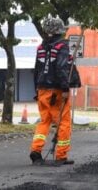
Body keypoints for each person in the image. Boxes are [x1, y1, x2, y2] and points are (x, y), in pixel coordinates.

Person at [30, 16, 74, 165]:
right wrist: (65, 88)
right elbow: (61, 68)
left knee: (44, 121)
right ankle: (61, 155)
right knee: (63, 122)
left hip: (42, 89)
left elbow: (36, 71)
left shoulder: (41, 48)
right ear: (59, 30)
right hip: (57, 91)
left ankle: (36, 151)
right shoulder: (62, 46)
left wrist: (37, 90)